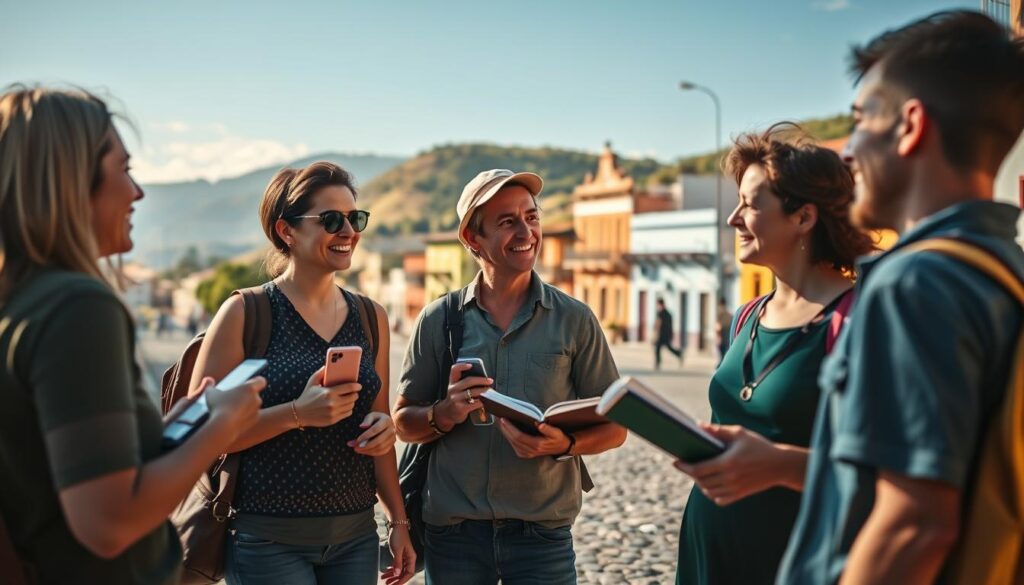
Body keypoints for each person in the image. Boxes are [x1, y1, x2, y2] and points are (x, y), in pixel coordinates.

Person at [777, 11, 1024, 584]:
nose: (847, 149)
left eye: (861, 119)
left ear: (911, 126)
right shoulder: (1003, 270)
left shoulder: (913, 283)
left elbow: (915, 523)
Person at [0, 86, 264, 584]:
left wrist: (167, 433)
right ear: (72, 180)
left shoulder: (22, 301)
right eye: (124, 169)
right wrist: (218, 430)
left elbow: (64, 469)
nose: (137, 192)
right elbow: (109, 522)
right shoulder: (78, 307)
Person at [393, 169, 627, 585]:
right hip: (455, 536)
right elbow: (403, 422)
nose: (527, 231)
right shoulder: (438, 321)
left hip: (542, 537)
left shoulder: (575, 320)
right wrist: (444, 413)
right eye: (507, 222)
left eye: (532, 217)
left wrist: (565, 443)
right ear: (472, 238)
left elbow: (616, 428)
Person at [191, 162, 415, 585]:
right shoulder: (246, 312)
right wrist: (296, 413)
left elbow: (379, 427)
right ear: (286, 231)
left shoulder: (371, 317)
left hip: (356, 538)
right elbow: (198, 433)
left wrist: (398, 522)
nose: (348, 231)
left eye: (355, 218)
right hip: (267, 542)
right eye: (331, 219)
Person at [673, 123, 875, 584]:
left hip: (792, 556)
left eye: (750, 204)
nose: (733, 219)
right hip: (709, 547)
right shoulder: (748, 316)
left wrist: (779, 466)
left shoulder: (858, 319)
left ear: (803, 217)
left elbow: (885, 473)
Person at [653, 298, 683, 369]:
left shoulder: (660, 313)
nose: (657, 306)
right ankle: (679, 354)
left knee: (657, 349)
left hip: (661, 334)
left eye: (657, 304)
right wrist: (671, 334)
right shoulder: (669, 314)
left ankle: (658, 363)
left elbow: (658, 324)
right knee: (668, 347)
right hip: (667, 334)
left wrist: (655, 335)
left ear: (660, 304)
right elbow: (671, 325)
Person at [713, 297, 731, 365]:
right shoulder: (729, 314)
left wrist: (718, 336)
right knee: (725, 349)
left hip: (722, 332)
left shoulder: (720, 313)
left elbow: (718, 326)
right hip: (728, 332)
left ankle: (721, 363)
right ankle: (722, 362)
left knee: (721, 349)